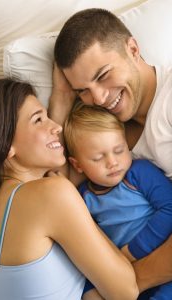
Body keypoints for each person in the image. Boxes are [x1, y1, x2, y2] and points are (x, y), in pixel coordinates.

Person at [0, 78, 138, 300]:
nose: (56, 127)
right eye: (38, 119)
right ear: (6, 145)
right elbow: (126, 291)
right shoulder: (51, 194)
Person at [49, 7, 172, 296]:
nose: (100, 98)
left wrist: (124, 284)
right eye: (83, 90)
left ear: (132, 49)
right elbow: (55, 186)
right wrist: (61, 100)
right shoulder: (109, 138)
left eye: (103, 75)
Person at [64, 101, 172, 299]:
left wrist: (133, 251)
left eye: (119, 150)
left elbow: (169, 209)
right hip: (125, 276)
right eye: (98, 158)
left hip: (162, 257)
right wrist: (89, 290)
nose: (112, 162)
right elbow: (89, 250)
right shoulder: (82, 198)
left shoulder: (139, 172)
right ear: (77, 165)